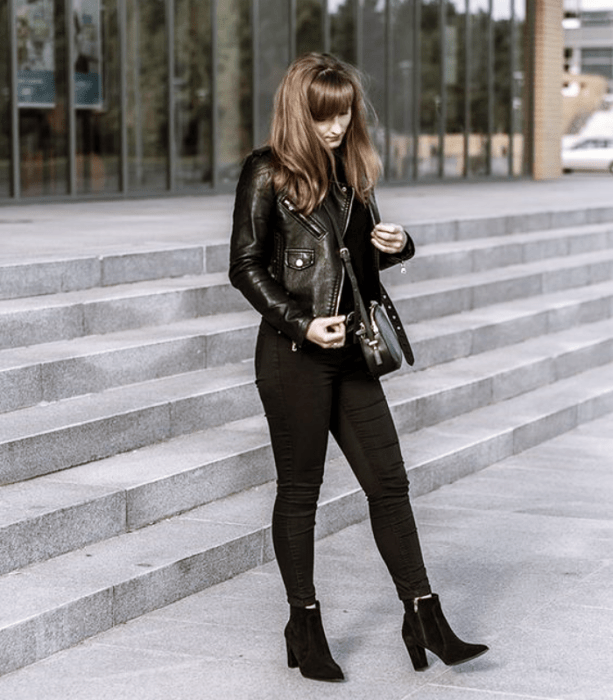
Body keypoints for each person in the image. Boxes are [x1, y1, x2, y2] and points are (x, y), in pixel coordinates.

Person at [229, 52, 488, 683]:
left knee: (389, 484)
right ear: (300, 110)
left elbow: (358, 265)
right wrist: (299, 321)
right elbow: (244, 265)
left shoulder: (353, 171)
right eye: (324, 115)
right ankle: (304, 623)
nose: (337, 126)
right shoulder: (266, 173)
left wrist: (399, 246)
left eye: (344, 113)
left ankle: (423, 615)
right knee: (300, 493)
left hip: (354, 353)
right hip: (294, 355)